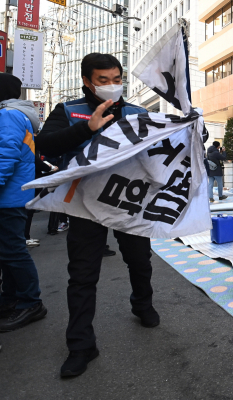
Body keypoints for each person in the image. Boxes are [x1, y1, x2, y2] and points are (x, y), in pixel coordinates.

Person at [36, 53, 158, 377]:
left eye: (116, 79)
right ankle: (81, 346)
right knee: (82, 276)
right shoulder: (67, 111)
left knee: (140, 261)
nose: (111, 86)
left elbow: (156, 157)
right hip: (84, 209)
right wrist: (85, 129)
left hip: (128, 206)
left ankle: (143, 304)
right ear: (87, 82)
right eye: (103, 81)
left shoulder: (137, 113)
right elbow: (44, 146)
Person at [0, 73, 48, 333]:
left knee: (13, 252)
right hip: (12, 196)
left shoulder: (8, 116)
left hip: (8, 197)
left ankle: (31, 302)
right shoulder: (16, 115)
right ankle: (11, 299)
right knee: (8, 253)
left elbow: (4, 156)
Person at [25, 153, 58, 247]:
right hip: (30, 181)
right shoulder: (27, 147)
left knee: (27, 212)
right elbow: (38, 163)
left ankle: (25, 237)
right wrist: (51, 168)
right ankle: (25, 237)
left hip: (29, 180)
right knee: (28, 212)